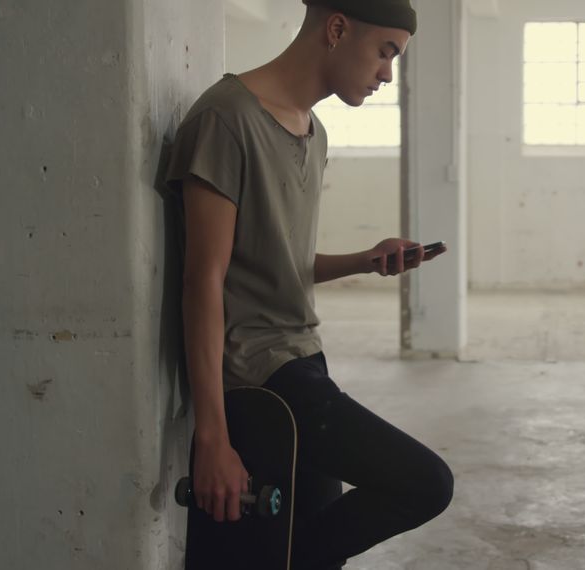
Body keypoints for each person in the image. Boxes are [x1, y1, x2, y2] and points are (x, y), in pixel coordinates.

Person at [164, 0, 453, 567]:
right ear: (338, 28)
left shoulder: (312, 132)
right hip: (261, 377)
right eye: (385, 52)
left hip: (306, 361)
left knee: (318, 542)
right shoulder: (227, 118)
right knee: (425, 484)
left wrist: (364, 261)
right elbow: (204, 279)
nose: (387, 74)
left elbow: (277, 262)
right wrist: (211, 436)